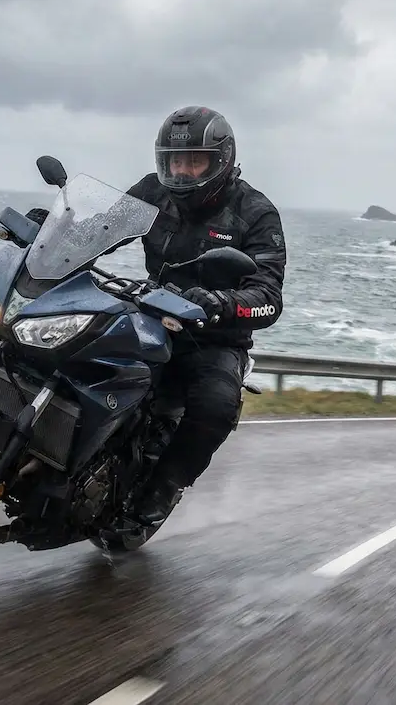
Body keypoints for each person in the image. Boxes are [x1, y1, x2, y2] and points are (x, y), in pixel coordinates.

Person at [118, 105, 288, 523]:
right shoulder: (151, 192)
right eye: (176, 161)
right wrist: (57, 228)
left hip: (211, 335)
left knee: (216, 407)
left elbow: (268, 295)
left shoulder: (255, 212)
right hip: (149, 314)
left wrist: (220, 303)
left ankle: (163, 488)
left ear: (222, 160)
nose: (184, 173)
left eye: (195, 162)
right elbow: (103, 225)